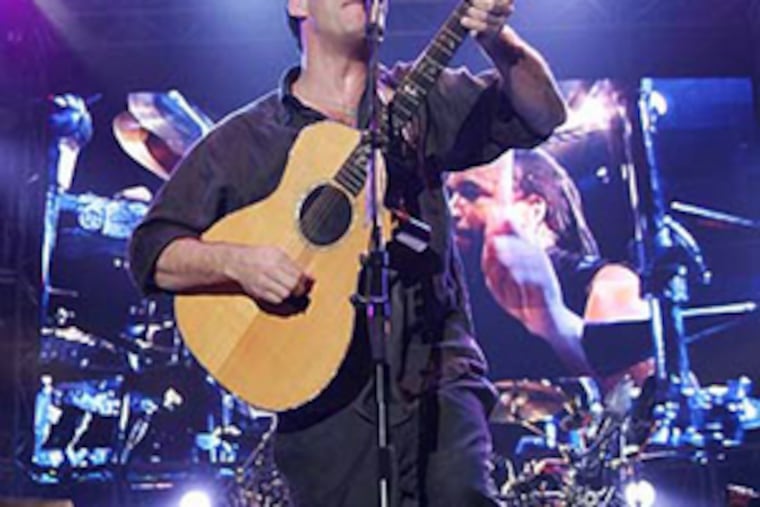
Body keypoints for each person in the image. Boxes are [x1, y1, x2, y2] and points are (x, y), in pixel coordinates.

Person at [128, 0, 567, 505]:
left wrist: (497, 41)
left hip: (437, 371)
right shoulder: (247, 139)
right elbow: (151, 251)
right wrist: (238, 263)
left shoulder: (421, 98)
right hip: (322, 396)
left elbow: (543, 115)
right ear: (298, 4)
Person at [448, 148, 651, 385]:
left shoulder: (610, 285)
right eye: (450, 195)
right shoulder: (458, 297)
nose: (452, 210)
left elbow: (636, 394)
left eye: (471, 193)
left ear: (533, 209)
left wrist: (553, 320)